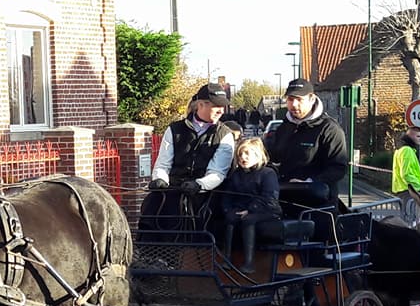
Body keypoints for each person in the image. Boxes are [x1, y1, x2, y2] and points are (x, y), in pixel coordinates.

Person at [141, 83, 235, 230]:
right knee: (152, 206)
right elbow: (163, 164)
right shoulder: (174, 129)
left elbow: (217, 173)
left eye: (223, 107)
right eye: (217, 106)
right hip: (174, 190)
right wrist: (160, 179)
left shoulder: (225, 135)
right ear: (201, 105)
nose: (221, 111)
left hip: (206, 195)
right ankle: (150, 250)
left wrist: (199, 185)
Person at [267, 78, 348, 210]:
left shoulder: (329, 129)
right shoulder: (284, 128)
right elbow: (273, 157)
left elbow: (338, 167)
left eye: (299, 99)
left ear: (311, 99)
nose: (294, 104)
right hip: (285, 201)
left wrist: (309, 183)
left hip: (318, 206)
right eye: (290, 99)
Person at [221, 137, 281, 271]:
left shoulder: (268, 173)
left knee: (248, 220)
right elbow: (228, 195)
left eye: (247, 154)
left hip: (267, 210)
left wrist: (250, 209)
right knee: (230, 218)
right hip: (241, 208)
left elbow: (269, 197)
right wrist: (228, 210)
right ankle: (227, 258)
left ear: (257, 155)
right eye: (240, 154)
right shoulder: (236, 174)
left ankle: (249, 263)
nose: (243, 157)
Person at [392, 127, 420, 225]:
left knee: (407, 219)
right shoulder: (407, 151)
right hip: (408, 192)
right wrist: (418, 187)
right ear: (411, 136)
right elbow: (406, 174)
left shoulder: (400, 150)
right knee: (410, 220)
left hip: (403, 190)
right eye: (418, 136)